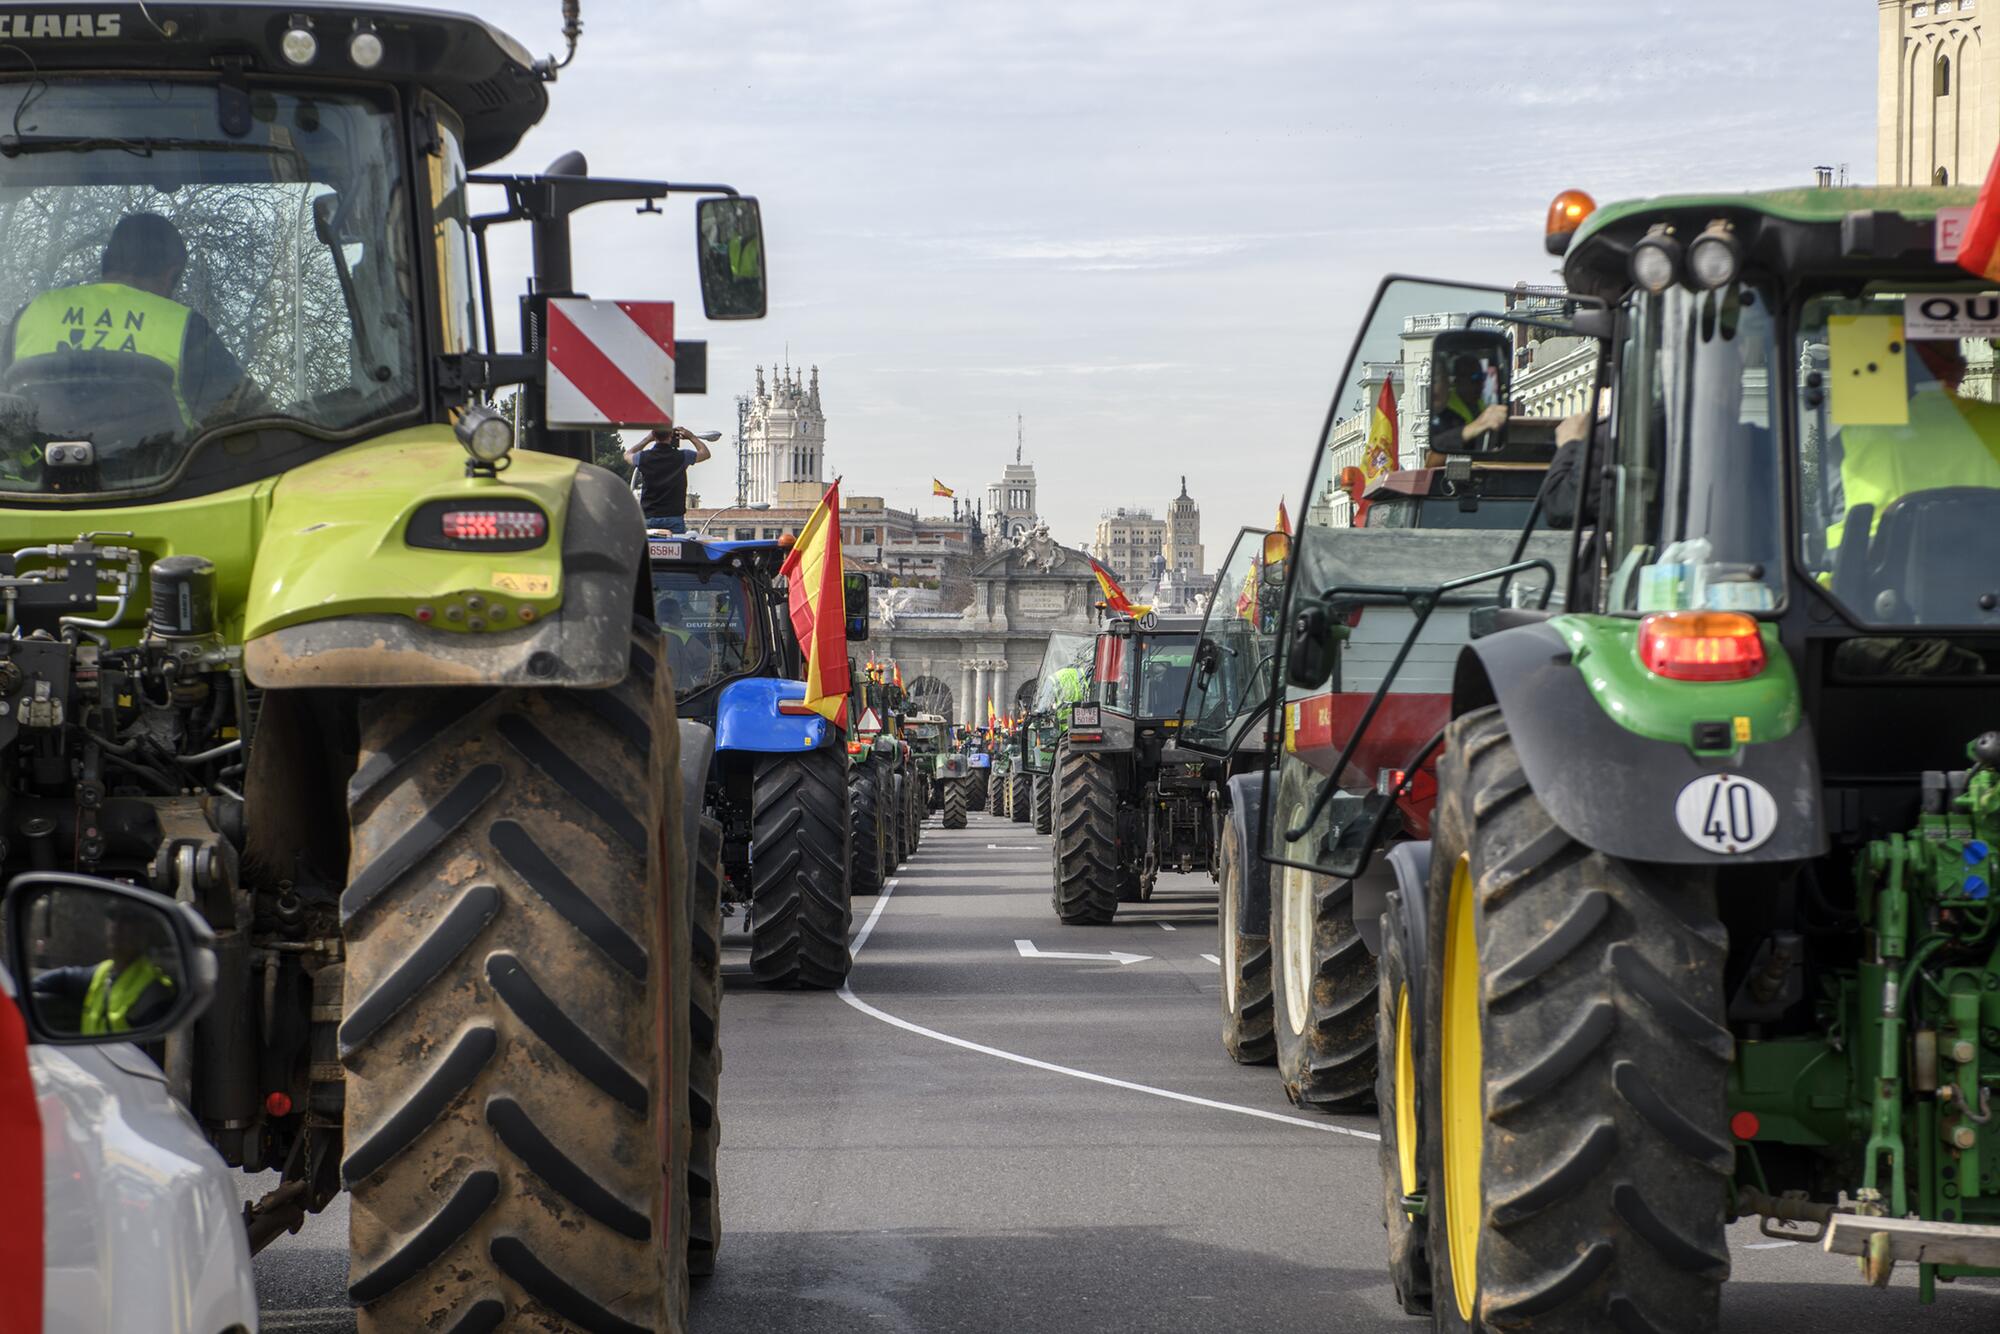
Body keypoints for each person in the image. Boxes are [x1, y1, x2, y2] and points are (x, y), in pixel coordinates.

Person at [3, 212, 261, 433]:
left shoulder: (33, 314)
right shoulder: (184, 328)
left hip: (35, 484)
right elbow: (249, 419)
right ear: (172, 274)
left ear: (106, 261)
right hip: (165, 487)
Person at [33, 906, 176, 1035]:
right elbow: (64, 977)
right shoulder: (103, 972)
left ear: (143, 930)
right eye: (112, 916)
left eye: (127, 918)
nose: (116, 925)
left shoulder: (154, 991)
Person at [626, 424, 711, 532]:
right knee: (676, 547)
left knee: (647, 548)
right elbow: (705, 453)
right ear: (671, 435)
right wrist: (691, 436)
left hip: (649, 516)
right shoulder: (682, 456)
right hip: (673, 516)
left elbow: (627, 454)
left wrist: (648, 439)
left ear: (654, 435)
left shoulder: (643, 457)